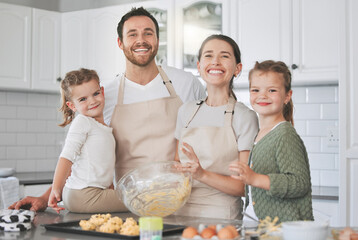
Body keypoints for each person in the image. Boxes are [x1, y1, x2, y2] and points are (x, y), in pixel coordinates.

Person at [9, 7, 205, 212]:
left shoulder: (186, 84)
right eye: (132, 34)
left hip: (178, 202)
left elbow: (204, 143)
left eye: (148, 33)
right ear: (120, 43)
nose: (141, 40)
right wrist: (45, 197)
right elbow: (82, 159)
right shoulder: (105, 95)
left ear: (157, 39)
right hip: (127, 206)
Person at [174, 34, 259, 219]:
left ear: (238, 69)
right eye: (209, 55)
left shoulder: (245, 117)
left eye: (225, 56)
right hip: (179, 211)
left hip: (221, 216)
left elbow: (243, 187)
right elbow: (176, 166)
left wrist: (202, 174)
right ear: (199, 66)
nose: (215, 62)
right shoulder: (186, 111)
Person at [229, 60, 313, 223]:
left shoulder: (284, 134)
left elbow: (300, 183)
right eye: (255, 90)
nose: (262, 95)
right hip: (260, 224)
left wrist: (255, 179)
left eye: (272, 90)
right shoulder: (260, 134)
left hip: (284, 229)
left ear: (287, 96)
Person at [48, 68, 127, 213]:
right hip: (83, 195)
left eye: (96, 94)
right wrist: (56, 188)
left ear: (102, 92)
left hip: (87, 194)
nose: (92, 101)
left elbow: (103, 165)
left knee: (135, 199)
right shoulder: (83, 122)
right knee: (138, 198)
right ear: (72, 106)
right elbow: (67, 156)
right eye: (83, 99)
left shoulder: (103, 128)